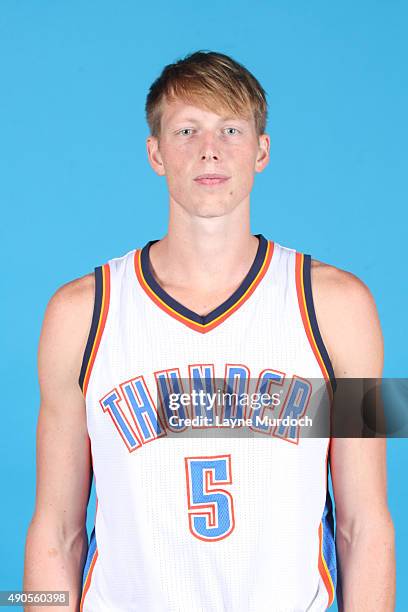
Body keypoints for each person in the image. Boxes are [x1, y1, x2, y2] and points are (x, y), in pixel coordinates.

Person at [23, 50, 395, 611]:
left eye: (230, 128)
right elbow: (55, 531)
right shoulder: (79, 314)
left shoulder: (344, 307)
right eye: (186, 129)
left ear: (262, 150)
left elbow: (366, 526)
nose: (209, 149)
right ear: (155, 153)